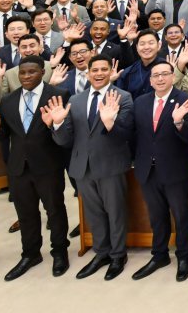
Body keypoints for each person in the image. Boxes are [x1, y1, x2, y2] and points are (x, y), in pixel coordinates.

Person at [47, 53, 134, 281]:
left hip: (111, 164)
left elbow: (127, 133)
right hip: (82, 167)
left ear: (109, 72)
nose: (98, 74)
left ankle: (117, 255)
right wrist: (56, 123)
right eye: (94, 70)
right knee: (93, 213)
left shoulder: (123, 97)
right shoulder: (75, 100)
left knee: (115, 213)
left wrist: (110, 123)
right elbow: (65, 140)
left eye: (103, 70)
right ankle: (101, 252)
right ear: (88, 73)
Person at [0, 55, 71, 281]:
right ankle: (31, 254)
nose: (25, 77)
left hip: (48, 165)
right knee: (26, 214)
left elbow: (65, 134)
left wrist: (56, 124)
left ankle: (60, 251)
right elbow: (5, 132)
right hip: (18, 167)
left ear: (43, 72)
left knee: (54, 211)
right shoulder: (8, 100)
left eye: (31, 72)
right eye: (22, 73)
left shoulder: (58, 96)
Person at [129, 60, 188, 282]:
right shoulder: (140, 102)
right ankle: (159, 255)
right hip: (147, 169)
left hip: (175, 168)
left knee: (181, 214)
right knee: (156, 216)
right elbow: (135, 135)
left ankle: (184, 256)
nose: (160, 78)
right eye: (155, 75)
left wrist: (178, 123)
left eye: (164, 74)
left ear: (172, 76)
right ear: (150, 79)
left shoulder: (185, 100)